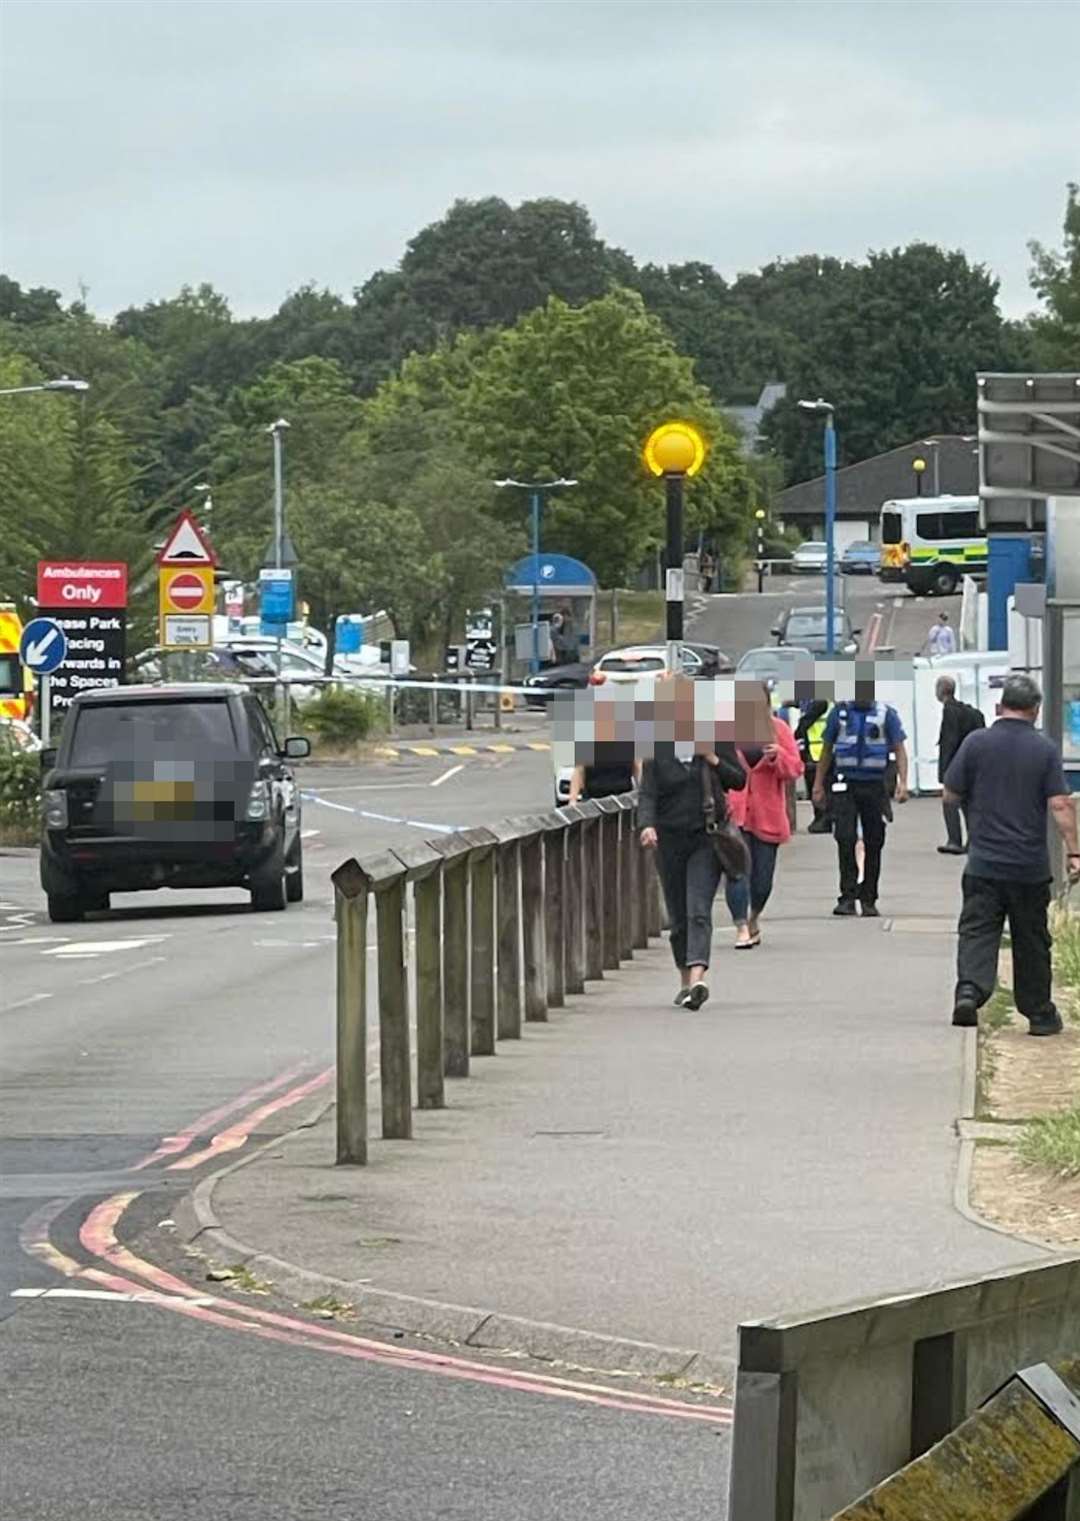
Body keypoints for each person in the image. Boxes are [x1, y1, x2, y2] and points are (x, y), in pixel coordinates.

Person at [944, 674, 1080, 1035]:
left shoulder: (976, 743)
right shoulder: (1045, 750)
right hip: (1028, 866)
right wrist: (1074, 852)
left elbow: (950, 793)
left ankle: (970, 991)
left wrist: (974, 813)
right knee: (1031, 937)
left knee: (977, 929)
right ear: (1035, 710)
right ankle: (1038, 1013)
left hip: (984, 861)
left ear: (1000, 705)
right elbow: (1061, 804)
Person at [639, 740, 745, 1010]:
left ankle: (698, 977)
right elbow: (648, 793)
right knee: (678, 915)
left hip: (705, 839)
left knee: (698, 908)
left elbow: (739, 779)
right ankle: (685, 981)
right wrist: (647, 826)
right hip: (670, 840)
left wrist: (713, 759)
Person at [813, 677, 909, 917]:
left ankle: (869, 898)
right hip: (845, 783)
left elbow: (899, 749)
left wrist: (903, 783)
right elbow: (827, 750)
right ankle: (847, 896)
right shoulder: (840, 713)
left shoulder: (887, 715)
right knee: (845, 838)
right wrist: (818, 785)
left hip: (875, 784)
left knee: (874, 840)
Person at [724, 683, 804, 946]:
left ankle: (754, 916)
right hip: (734, 814)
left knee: (762, 880)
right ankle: (740, 927)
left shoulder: (778, 730)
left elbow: (794, 769)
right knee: (737, 872)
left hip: (767, 814)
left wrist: (777, 756)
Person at [935, 675, 984, 854]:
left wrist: (945, 772)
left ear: (940, 691)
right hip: (973, 765)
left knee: (950, 802)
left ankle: (954, 840)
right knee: (968, 804)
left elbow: (949, 741)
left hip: (955, 765)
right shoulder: (972, 712)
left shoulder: (950, 710)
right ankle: (973, 841)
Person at [795, 695, 832, 833]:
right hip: (813, 751)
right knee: (814, 786)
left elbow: (805, 723)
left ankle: (824, 819)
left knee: (819, 786)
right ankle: (820, 817)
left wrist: (795, 734)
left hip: (819, 752)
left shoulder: (820, 702)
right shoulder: (809, 701)